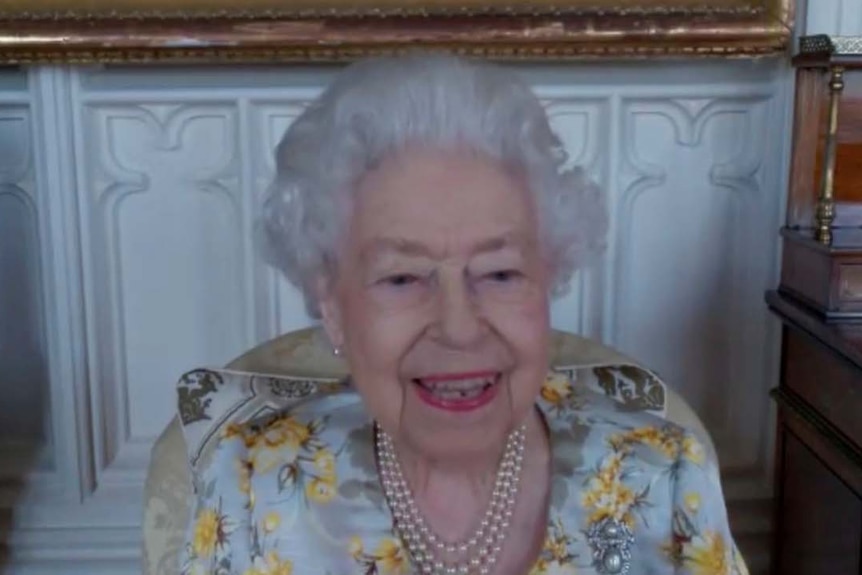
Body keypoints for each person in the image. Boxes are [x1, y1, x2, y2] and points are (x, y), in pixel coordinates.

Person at [177, 53, 747, 575]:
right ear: (332, 305)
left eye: (500, 273)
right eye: (402, 278)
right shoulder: (252, 483)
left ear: (548, 279)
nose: (459, 327)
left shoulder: (659, 475)